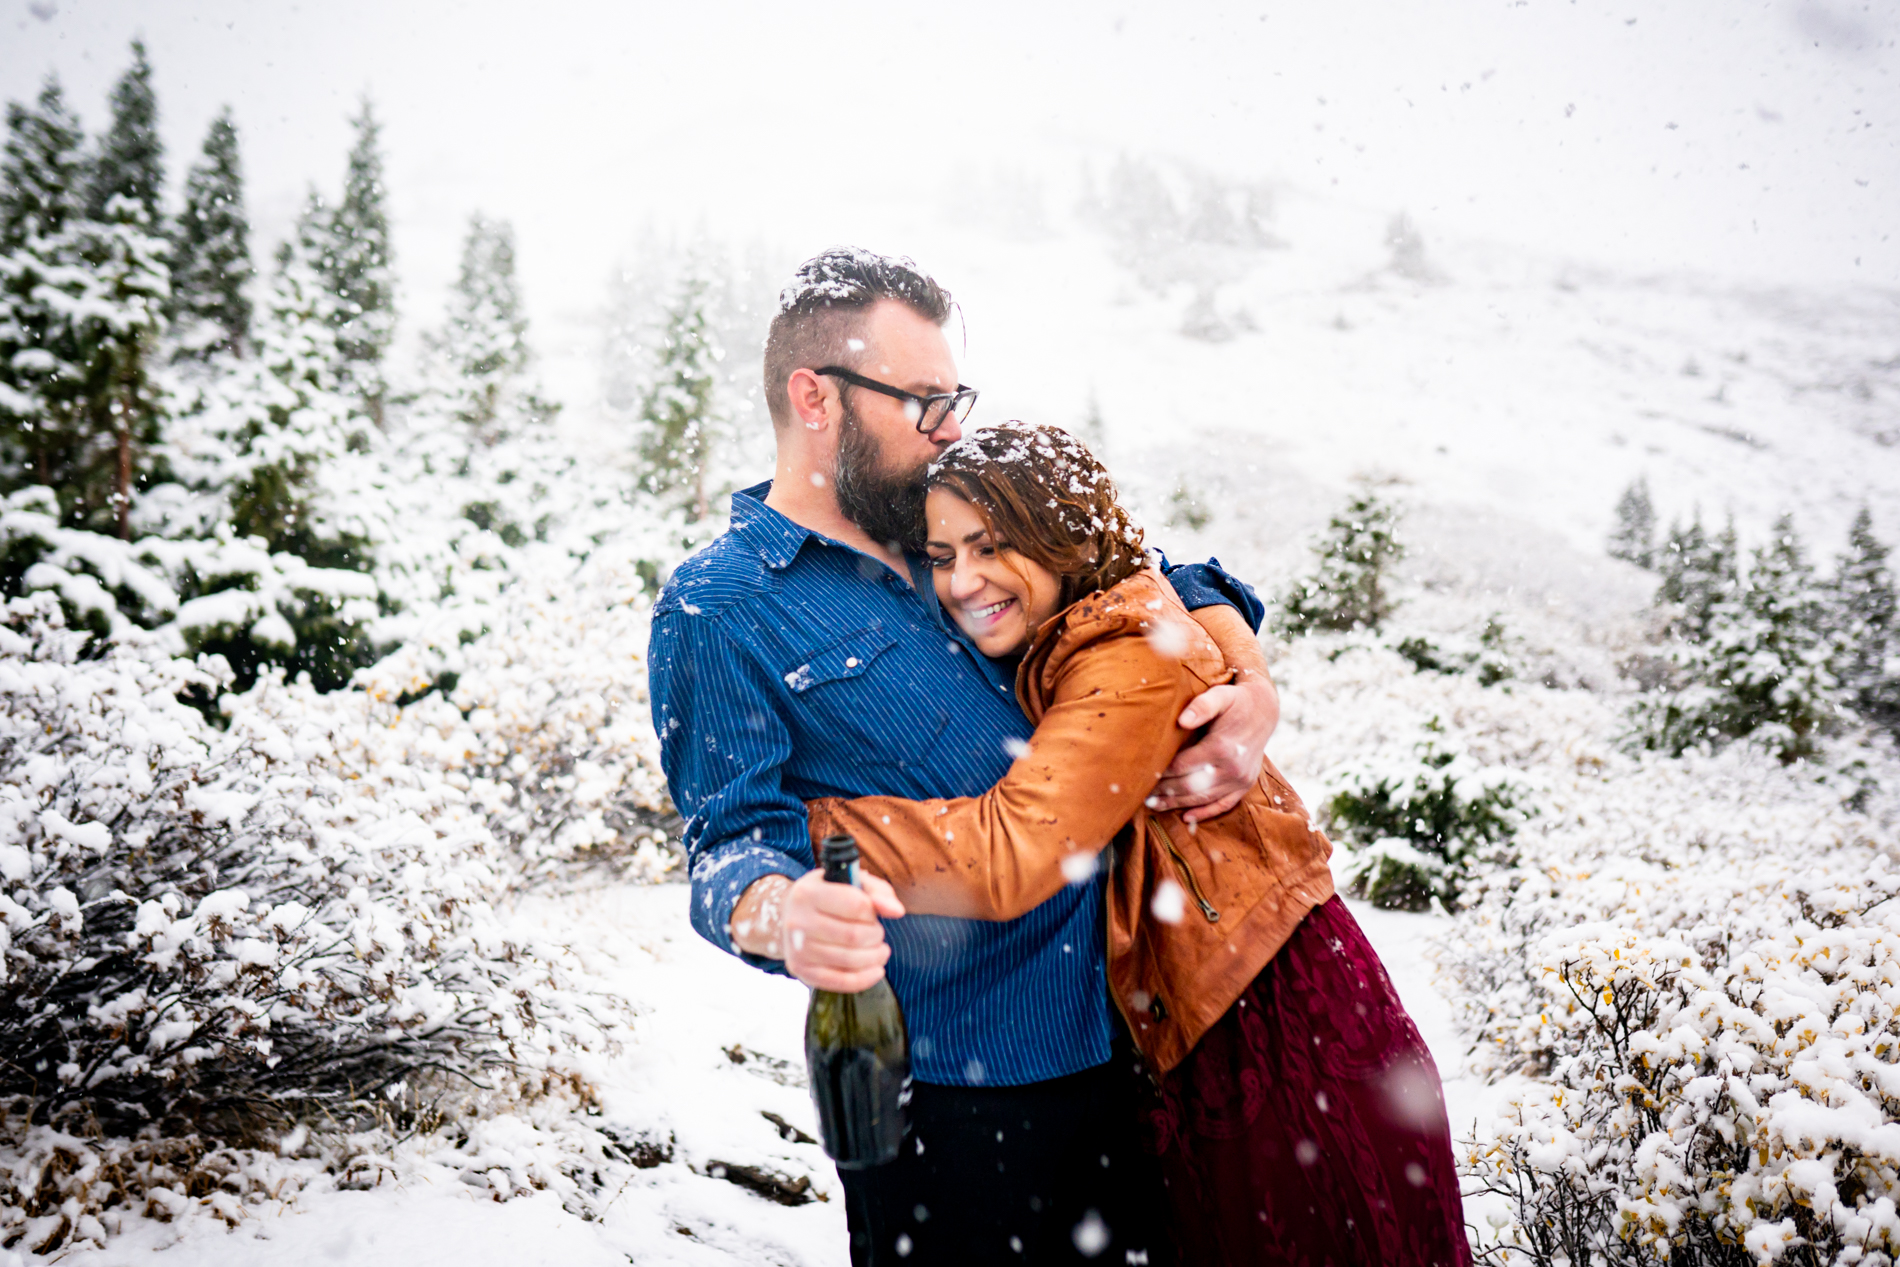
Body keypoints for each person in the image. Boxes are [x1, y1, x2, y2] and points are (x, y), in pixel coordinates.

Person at [646, 248, 1280, 1265]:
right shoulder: (718, 608)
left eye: (956, 399)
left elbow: (1143, 571)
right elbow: (726, 844)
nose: (952, 427)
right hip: (956, 1108)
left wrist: (1246, 680)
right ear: (816, 397)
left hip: (1132, 1048)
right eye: (924, 401)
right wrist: (783, 911)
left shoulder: (951, 520)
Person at [805, 422, 1472, 1267]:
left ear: (1066, 539)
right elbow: (1179, 572)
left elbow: (1016, 850)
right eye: (942, 555)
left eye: (990, 545)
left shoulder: (1122, 655)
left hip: (1267, 1022)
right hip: (1209, 1015)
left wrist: (814, 825)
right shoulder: (1090, 615)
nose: (962, 579)